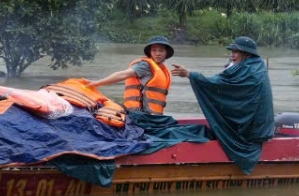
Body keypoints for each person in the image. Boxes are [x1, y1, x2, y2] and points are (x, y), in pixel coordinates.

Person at [170, 36, 275, 174]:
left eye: (236, 52)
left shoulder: (249, 71)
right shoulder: (256, 66)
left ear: (248, 54)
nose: (232, 55)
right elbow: (227, 85)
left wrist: (190, 74)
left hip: (252, 132)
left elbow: (219, 84)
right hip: (260, 128)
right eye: (232, 51)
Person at [86, 36, 174, 114]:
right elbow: (122, 74)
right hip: (139, 116)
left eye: (161, 50)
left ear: (166, 53)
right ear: (150, 52)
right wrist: (97, 83)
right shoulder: (145, 65)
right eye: (154, 50)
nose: (157, 53)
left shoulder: (163, 70)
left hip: (153, 117)